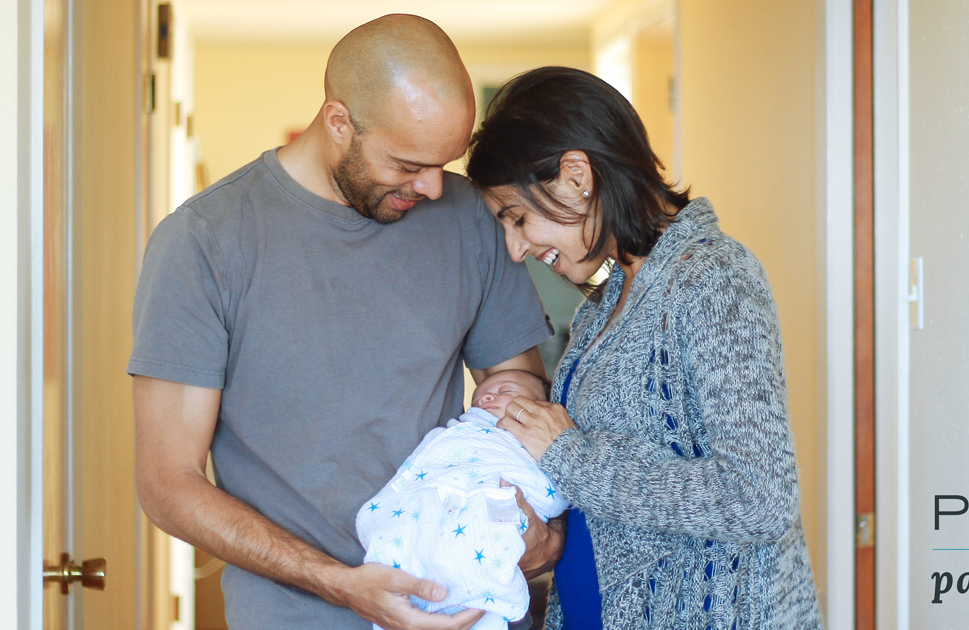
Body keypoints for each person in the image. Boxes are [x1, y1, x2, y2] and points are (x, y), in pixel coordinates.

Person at [129, 15, 564, 630]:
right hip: (295, 617)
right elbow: (167, 483)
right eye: (407, 163)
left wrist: (547, 535)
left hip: (461, 607)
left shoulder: (469, 218)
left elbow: (524, 409)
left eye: (444, 163)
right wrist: (338, 584)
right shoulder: (205, 242)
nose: (433, 188)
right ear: (339, 122)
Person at [465, 66, 824, 629]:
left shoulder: (714, 278)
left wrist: (569, 456)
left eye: (519, 218)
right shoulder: (604, 305)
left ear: (576, 175)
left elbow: (759, 498)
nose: (516, 248)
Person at [357, 370, 569, 630]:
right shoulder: (457, 433)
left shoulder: (536, 447)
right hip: (433, 515)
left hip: (490, 514)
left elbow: (552, 490)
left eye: (505, 391)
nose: (485, 397)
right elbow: (429, 468)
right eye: (478, 397)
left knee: (481, 583)